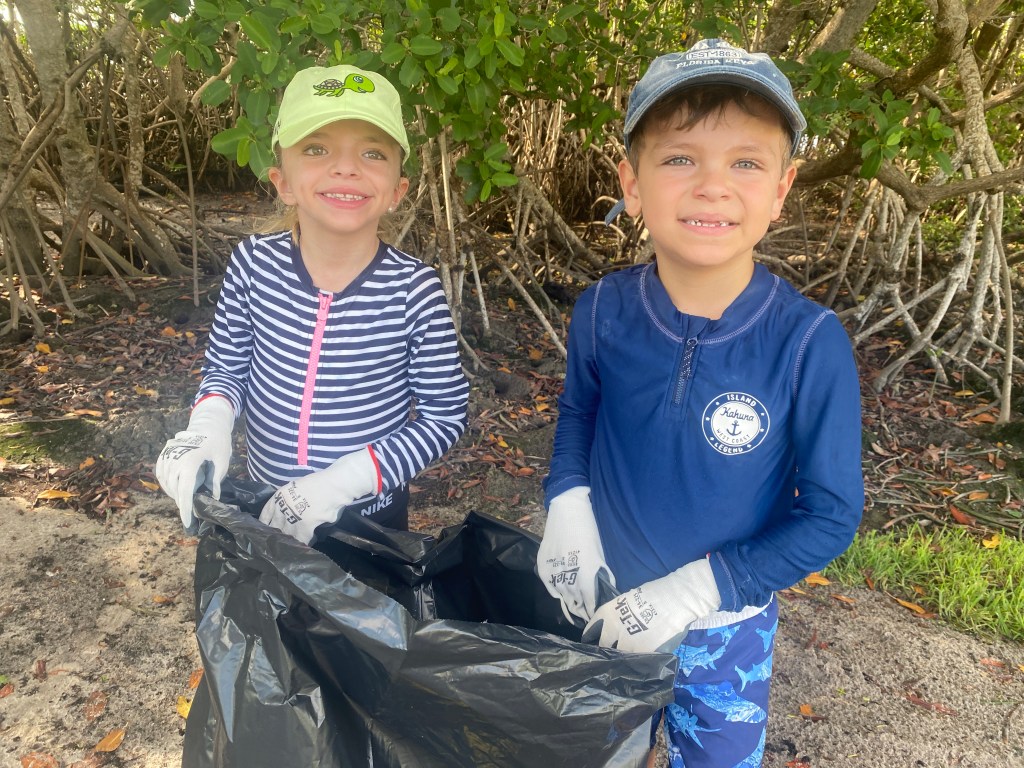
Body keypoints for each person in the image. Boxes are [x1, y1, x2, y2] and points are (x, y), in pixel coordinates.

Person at [537, 39, 864, 767]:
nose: (713, 185)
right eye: (681, 158)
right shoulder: (602, 310)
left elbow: (832, 514)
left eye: (746, 163)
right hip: (602, 608)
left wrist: (695, 591)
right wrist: (566, 505)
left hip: (725, 631)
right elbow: (579, 415)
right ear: (632, 183)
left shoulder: (809, 342)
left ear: (781, 189)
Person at [155, 64, 468, 544]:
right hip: (267, 504)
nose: (346, 167)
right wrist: (207, 427)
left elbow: (444, 416)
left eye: (372, 153)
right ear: (282, 181)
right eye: (317, 149)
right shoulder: (253, 263)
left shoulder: (414, 290)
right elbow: (227, 368)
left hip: (368, 520)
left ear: (397, 191)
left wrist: (342, 484)